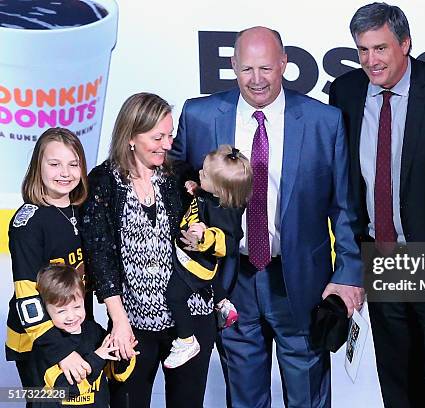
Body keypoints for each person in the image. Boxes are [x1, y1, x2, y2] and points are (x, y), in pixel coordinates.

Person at [170, 26, 363, 407]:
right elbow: (172, 182)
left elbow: (344, 208)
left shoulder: (325, 121)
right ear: (232, 66)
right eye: (247, 69)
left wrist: (347, 275)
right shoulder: (199, 115)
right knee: (244, 397)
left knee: (307, 395)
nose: (257, 80)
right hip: (229, 279)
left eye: (266, 69)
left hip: (301, 283)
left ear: (284, 65)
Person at [329, 3, 425, 407]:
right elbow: (345, 182)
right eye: (363, 50)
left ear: (405, 43)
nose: (371, 60)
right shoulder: (344, 92)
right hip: (381, 261)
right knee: (399, 385)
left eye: (380, 48)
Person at [80, 93, 216, 407]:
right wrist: (120, 322)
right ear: (130, 137)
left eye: (170, 135)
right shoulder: (102, 183)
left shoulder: (181, 176)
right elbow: (101, 259)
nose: (167, 144)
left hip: (192, 318)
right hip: (134, 324)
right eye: (157, 137)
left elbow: (221, 216)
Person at [6, 127, 94, 393]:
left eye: (73, 164)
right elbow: (26, 298)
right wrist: (61, 352)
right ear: (37, 167)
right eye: (54, 164)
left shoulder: (83, 211)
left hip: (74, 327)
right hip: (38, 341)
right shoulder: (29, 223)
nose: (65, 173)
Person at [164, 144, 252, 369]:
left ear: (219, 188)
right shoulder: (212, 197)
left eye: (203, 174)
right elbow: (203, 201)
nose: (198, 173)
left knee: (175, 296)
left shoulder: (223, 212)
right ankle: (223, 302)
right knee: (211, 283)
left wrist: (204, 236)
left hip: (196, 264)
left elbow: (226, 241)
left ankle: (186, 340)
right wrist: (197, 189)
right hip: (195, 258)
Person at [31, 264, 135, 408]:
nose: (71, 316)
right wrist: (97, 358)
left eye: (77, 307)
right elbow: (66, 390)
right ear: (46, 310)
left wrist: (123, 356)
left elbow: (113, 372)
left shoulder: (94, 331)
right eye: (61, 311)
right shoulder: (48, 344)